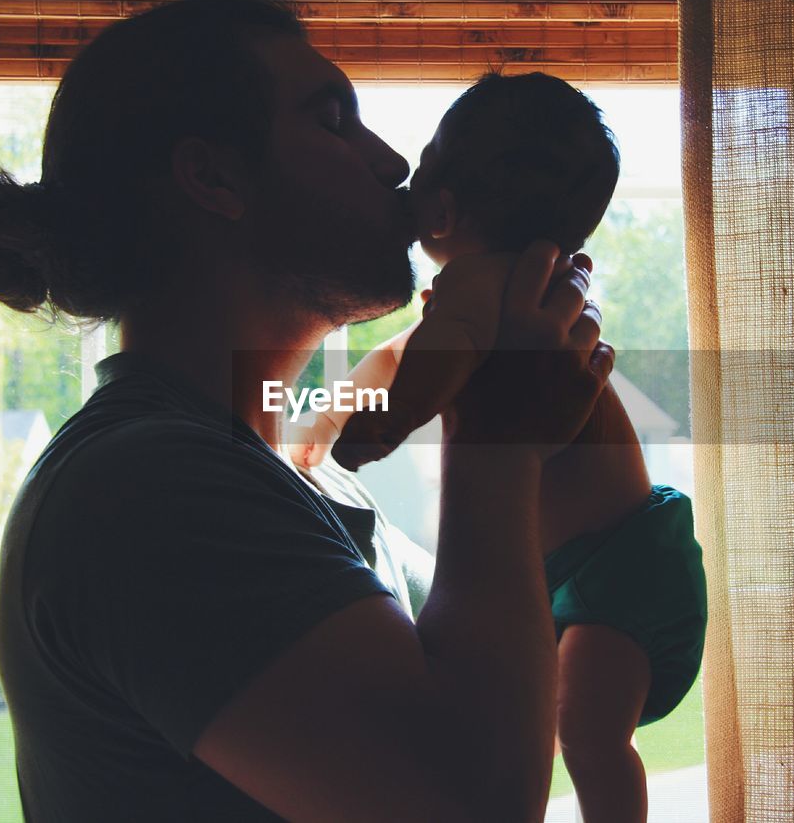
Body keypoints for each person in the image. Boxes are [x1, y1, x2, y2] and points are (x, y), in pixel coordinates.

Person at [0, 0, 613, 823]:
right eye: (334, 119)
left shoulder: (309, 482)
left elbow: (505, 691)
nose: (393, 164)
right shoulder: (149, 488)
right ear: (214, 176)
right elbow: (475, 800)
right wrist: (500, 438)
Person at [288, 72, 708, 822]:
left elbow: (429, 366)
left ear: (444, 206)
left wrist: (375, 429)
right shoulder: (500, 290)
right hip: (595, 557)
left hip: (620, 562)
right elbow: (402, 353)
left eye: (419, 166)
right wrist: (316, 417)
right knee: (569, 727)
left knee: (586, 731)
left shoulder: (483, 292)